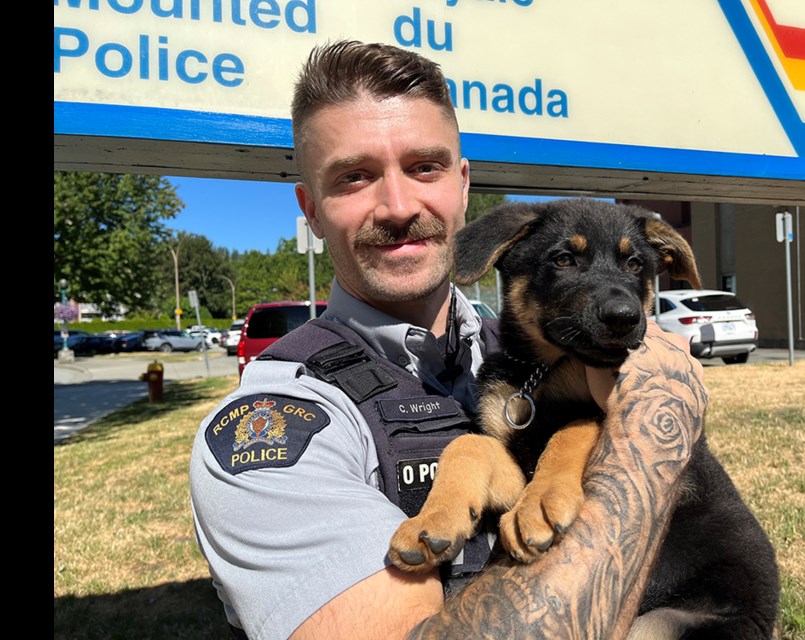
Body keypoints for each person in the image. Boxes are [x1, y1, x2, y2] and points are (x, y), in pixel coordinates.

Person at [189, 39, 708, 640]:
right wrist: (654, 425)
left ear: (462, 184)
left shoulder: (531, 348)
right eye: (354, 177)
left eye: (424, 167)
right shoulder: (279, 420)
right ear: (310, 208)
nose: (399, 205)